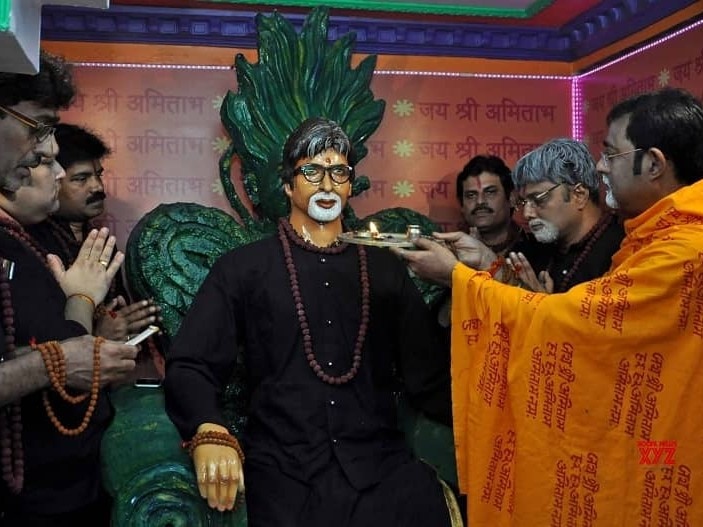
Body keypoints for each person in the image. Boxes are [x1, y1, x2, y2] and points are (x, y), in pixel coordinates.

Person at [394, 87, 703, 525]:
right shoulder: (648, 240)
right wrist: (487, 267)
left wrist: (458, 279)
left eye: (611, 155)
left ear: (652, 163)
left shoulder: (682, 251)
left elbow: (574, 321)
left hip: (659, 453)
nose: (600, 168)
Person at [164, 117, 454, 526]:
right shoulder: (244, 268)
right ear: (288, 184)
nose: (327, 184)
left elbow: (430, 377)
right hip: (282, 474)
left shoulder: (385, 269)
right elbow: (192, 364)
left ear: (351, 185)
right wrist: (209, 431)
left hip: (381, 470)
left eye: (339, 172)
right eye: (312, 171)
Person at [0, 51, 138, 525]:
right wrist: (65, 351)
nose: (44, 155)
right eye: (38, 128)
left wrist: (83, 340)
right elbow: (54, 354)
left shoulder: (28, 240)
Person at [28, 123, 160, 342]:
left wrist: (129, 327)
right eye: (81, 179)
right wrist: (98, 335)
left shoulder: (101, 241)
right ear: (53, 178)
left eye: (98, 175)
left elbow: (116, 315)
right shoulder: (32, 241)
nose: (97, 187)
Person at [505, 138, 625, 293]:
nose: (527, 213)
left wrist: (543, 305)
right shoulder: (531, 251)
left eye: (539, 199)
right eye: (523, 202)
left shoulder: (622, 250)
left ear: (579, 195)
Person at [456, 154, 525, 256]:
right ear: (462, 205)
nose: (480, 201)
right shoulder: (449, 254)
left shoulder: (540, 251)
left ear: (512, 199)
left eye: (490, 192)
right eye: (471, 195)